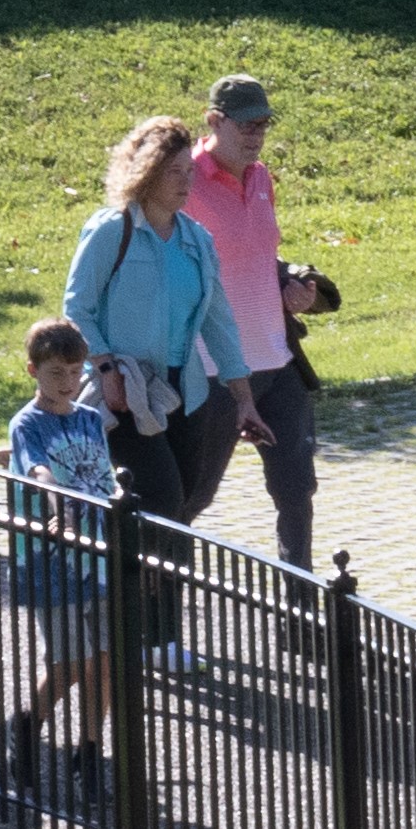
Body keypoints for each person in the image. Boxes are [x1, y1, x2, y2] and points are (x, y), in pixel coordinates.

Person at [62, 114, 253, 670]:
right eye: (172, 171)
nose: (184, 181)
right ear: (144, 172)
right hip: (128, 395)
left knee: (179, 510)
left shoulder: (197, 239)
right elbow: (77, 307)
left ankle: (140, 625)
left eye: (186, 170)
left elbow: (220, 322)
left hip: (183, 392)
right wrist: (105, 368)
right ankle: (157, 638)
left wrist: (243, 396)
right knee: (163, 505)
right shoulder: (112, 229)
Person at [196, 71, 328, 570]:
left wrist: (289, 286)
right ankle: (157, 611)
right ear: (214, 121)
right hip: (214, 369)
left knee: (296, 492)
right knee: (195, 495)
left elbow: (254, 257)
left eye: (263, 124)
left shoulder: (262, 178)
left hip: (277, 360)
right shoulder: (184, 180)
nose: (255, 135)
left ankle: (300, 615)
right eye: (246, 124)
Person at [1, 316, 118, 792]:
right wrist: (60, 513)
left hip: (97, 558)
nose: (67, 384)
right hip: (50, 563)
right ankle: (27, 724)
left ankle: (89, 752)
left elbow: (107, 484)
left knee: (106, 659)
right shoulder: (27, 424)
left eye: (75, 374)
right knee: (70, 661)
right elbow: (41, 474)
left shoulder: (91, 419)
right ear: (33, 371)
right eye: (56, 374)